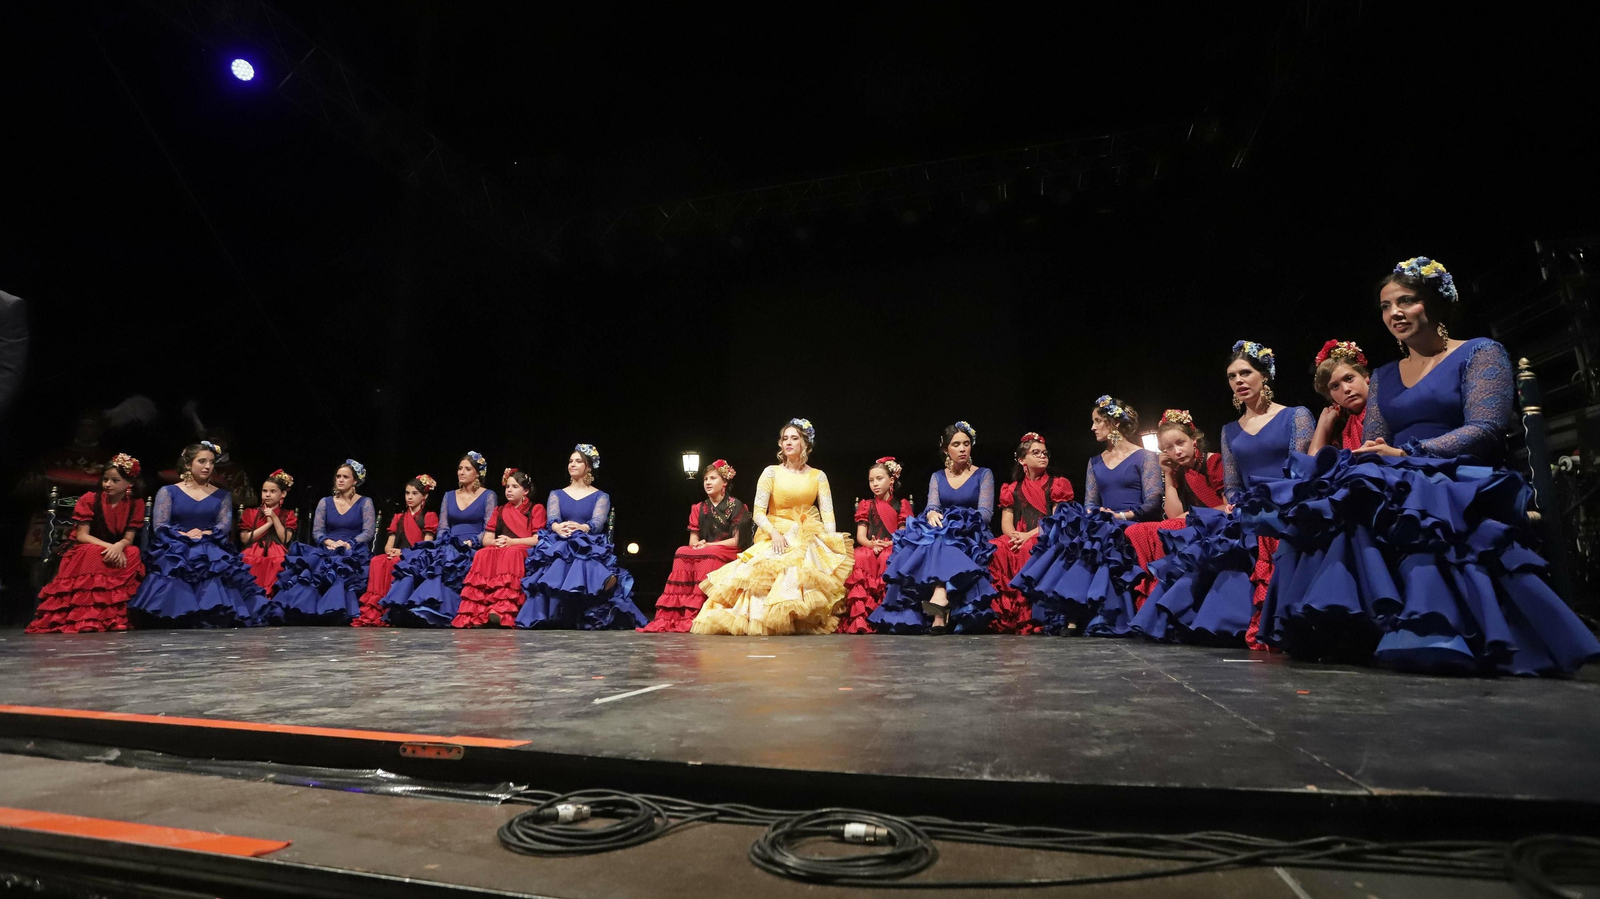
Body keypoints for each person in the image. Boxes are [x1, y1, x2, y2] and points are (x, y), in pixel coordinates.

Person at [1247, 257, 1600, 675]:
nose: (1394, 313)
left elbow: (1486, 428)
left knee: (1409, 495)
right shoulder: (1383, 375)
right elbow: (1376, 438)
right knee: (1332, 498)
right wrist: (1378, 455)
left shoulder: (1480, 352)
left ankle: (1431, 628)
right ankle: (1340, 624)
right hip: (1396, 472)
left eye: (1406, 301)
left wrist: (1411, 454)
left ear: (1433, 303)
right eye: (1386, 306)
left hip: (1461, 470)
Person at [1133, 342, 1312, 647]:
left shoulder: (1296, 415)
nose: (1239, 380)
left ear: (1264, 375)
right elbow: (1232, 485)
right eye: (1232, 376)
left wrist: (1270, 502)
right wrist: (1237, 504)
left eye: (1246, 373)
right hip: (1246, 508)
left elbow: (1302, 469)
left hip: (1288, 501)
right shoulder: (1230, 430)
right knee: (1211, 542)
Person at [692, 419, 854, 635]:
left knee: (809, 565)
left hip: (807, 532)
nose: (788, 442)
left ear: (805, 444)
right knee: (765, 570)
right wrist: (775, 534)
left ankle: (799, 617)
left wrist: (829, 541)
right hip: (775, 530)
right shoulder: (771, 472)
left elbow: (827, 514)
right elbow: (758, 512)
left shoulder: (818, 476)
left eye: (794, 438)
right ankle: (764, 617)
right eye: (785, 438)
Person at [1016, 398, 1158, 637]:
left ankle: (1096, 614)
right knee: (1072, 536)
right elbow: (1090, 502)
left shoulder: (1145, 457)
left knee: (1103, 538)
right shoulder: (1094, 462)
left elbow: (1152, 500)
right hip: (1101, 520)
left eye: (1098, 421)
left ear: (1114, 423)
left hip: (1128, 519)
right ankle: (1068, 610)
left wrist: (1120, 515)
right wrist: (1094, 515)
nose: (1093, 427)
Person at [870, 422, 996, 634]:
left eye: (966, 444)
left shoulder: (983, 474)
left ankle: (939, 603)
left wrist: (956, 521)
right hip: (943, 528)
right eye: (956, 444)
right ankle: (938, 603)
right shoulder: (937, 476)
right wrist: (930, 513)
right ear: (946, 449)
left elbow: (984, 514)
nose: (962, 449)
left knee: (942, 540)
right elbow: (932, 507)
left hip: (971, 530)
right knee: (928, 540)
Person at [128, 442, 264, 627]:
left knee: (212, 560)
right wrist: (184, 535)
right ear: (187, 464)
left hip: (210, 542)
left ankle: (211, 610)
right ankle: (176, 611)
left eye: (211, 462)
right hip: (176, 543)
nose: (208, 466)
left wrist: (206, 532)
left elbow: (224, 525)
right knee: (176, 562)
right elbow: (160, 525)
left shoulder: (222, 495)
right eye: (202, 461)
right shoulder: (168, 491)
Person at [518, 445, 646, 629]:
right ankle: (553, 612)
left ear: (589, 467)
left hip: (587, 539)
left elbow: (597, 522)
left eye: (578, 461)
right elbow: (553, 519)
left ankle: (584, 608)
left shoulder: (600, 496)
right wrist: (558, 527)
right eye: (571, 461)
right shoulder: (557, 494)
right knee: (561, 553)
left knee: (581, 552)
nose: (572, 464)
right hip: (561, 538)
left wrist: (582, 527)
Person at [26, 454, 146, 634]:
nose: (108, 484)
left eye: (115, 480)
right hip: (85, 545)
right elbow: (82, 535)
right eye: (105, 479)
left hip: (115, 547)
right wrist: (110, 547)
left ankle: (111, 616)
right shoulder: (90, 499)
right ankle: (85, 616)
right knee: (92, 552)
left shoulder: (136, 504)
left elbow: (128, 538)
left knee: (133, 552)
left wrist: (119, 546)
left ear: (129, 483)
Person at [1121, 410, 1229, 591]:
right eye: (1169, 448)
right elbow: (1174, 515)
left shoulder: (1213, 462)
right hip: (1195, 524)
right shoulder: (1180, 471)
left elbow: (1229, 506)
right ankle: (1152, 585)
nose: (1177, 452)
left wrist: (1192, 515)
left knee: (1162, 529)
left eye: (1180, 443)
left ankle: (1166, 585)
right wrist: (1168, 474)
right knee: (1135, 531)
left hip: (1220, 524)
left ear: (1193, 439)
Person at [384, 452, 494, 627]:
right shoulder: (449, 495)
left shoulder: (488, 496)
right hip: (448, 542)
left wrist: (471, 542)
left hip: (470, 546)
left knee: (447, 559)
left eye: (467, 469)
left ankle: (433, 609)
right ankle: (404, 607)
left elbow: (488, 528)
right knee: (420, 558)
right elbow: (443, 526)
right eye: (460, 468)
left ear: (477, 473)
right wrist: (445, 541)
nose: (461, 472)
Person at [640, 459, 750, 633]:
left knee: (710, 555)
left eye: (713, 478)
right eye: (705, 479)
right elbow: (693, 540)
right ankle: (679, 610)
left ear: (724, 482)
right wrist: (699, 544)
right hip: (706, 549)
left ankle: (700, 608)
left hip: (727, 550)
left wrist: (711, 545)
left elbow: (736, 541)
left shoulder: (736, 506)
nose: (708, 483)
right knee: (682, 551)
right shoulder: (698, 508)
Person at [986, 434, 1074, 635]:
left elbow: (1057, 519)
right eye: (1036, 453)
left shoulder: (1057, 484)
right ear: (1022, 460)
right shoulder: (1012, 489)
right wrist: (1015, 536)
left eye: (1045, 453)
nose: (1043, 456)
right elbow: (1006, 521)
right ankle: (1007, 614)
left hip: (1046, 533)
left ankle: (1032, 614)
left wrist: (1027, 536)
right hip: (1018, 535)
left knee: (1029, 547)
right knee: (996, 548)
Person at [270, 461, 375, 625]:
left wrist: (349, 544)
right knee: (316, 567)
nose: (340, 480)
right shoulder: (325, 502)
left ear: (354, 481)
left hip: (353, 549)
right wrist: (329, 542)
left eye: (345, 477)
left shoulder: (365, 502)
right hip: (329, 546)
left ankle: (336, 610)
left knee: (341, 565)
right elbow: (317, 531)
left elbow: (368, 532)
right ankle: (304, 610)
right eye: (338, 476)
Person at [454, 468, 546, 628]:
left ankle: (501, 611)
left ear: (525, 491)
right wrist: (495, 543)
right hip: (503, 546)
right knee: (483, 554)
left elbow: (537, 539)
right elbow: (487, 538)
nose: (509, 490)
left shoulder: (535, 509)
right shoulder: (500, 510)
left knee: (511, 553)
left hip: (522, 547)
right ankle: (477, 612)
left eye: (515, 487)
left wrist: (512, 542)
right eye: (507, 486)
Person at [839, 457, 914, 634]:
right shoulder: (866, 505)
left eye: (879, 479)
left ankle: (887, 614)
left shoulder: (901, 505)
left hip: (892, 545)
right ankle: (862, 617)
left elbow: (902, 534)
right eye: (871, 480)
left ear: (891, 480)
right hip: (871, 545)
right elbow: (860, 536)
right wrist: (871, 544)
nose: (875, 484)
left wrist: (888, 543)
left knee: (888, 556)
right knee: (861, 556)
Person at [353, 475, 436, 627]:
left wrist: (403, 553)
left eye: (414, 493)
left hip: (415, 555)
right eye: (407, 493)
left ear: (424, 496)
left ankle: (391, 607)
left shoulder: (429, 517)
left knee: (396, 562)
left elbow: (426, 544)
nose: (409, 497)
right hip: (397, 552)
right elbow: (388, 545)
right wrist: (391, 551)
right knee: (376, 560)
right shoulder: (399, 517)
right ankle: (375, 607)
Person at [238, 470, 297, 597]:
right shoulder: (251, 512)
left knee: (279, 562)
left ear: (283, 494)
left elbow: (285, 539)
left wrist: (274, 518)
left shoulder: (287, 514)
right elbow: (244, 539)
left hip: (277, 551)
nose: (268, 495)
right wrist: (267, 524)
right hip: (253, 550)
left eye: (273, 491)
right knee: (247, 560)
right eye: (265, 491)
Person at [1308, 340, 1371, 452]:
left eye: (1349, 379)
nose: (1346, 389)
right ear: (1330, 396)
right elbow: (1313, 459)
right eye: (1335, 386)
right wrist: (1323, 426)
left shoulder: (1386, 405)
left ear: (1365, 376)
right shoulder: (1343, 427)